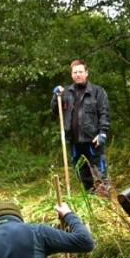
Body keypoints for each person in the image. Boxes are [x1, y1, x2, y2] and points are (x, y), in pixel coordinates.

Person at [52, 59, 111, 195]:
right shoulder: (66, 93)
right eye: (75, 72)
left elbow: (104, 113)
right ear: (72, 75)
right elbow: (56, 110)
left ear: (86, 73)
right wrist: (56, 97)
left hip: (93, 139)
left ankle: (104, 199)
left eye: (80, 72)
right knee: (82, 172)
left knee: (99, 172)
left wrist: (102, 133)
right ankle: (90, 196)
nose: (78, 74)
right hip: (74, 141)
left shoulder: (97, 91)